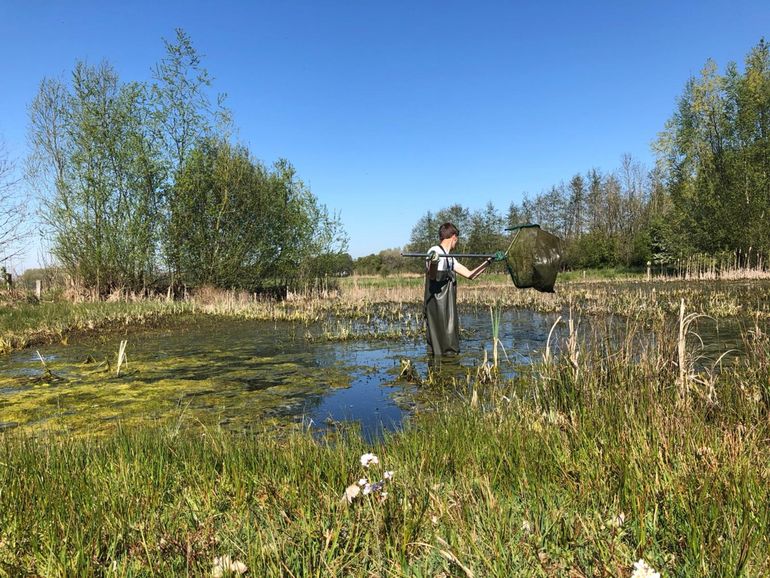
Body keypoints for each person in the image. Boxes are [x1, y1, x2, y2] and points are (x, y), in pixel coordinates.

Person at [424, 222, 493, 356]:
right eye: (457, 240)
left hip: (448, 306)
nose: (457, 243)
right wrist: (433, 262)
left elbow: (470, 274)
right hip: (435, 306)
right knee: (438, 344)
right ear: (454, 237)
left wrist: (489, 261)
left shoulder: (450, 259)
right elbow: (431, 276)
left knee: (450, 340)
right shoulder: (434, 251)